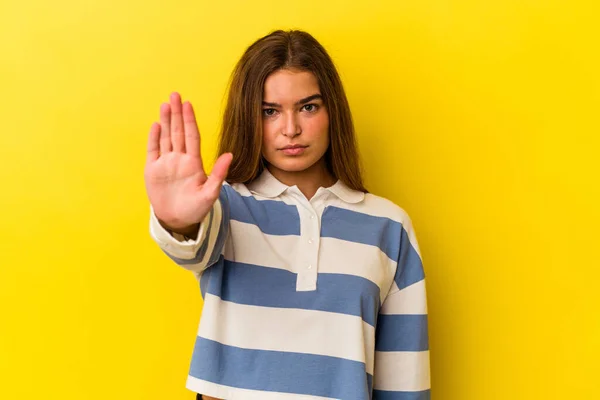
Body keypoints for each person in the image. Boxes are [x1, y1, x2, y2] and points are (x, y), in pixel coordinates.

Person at [144, 29, 430, 400]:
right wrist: (177, 220)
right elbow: (190, 246)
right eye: (269, 112)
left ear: (333, 112)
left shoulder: (389, 226)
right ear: (249, 117)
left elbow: (404, 378)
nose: (290, 129)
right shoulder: (224, 206)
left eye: (308, 107)